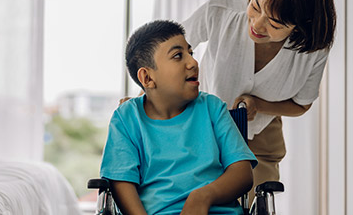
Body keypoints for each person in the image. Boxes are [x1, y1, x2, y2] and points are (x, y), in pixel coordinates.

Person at [181, 0, 337, 203]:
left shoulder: (312, 50)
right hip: (202, 131)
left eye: (274, 23)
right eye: (256, 5)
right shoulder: (218, 13)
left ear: (300, 27)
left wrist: (260, 105)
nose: (257, 24)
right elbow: (167, 53)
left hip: (261, 141)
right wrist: (145, 100)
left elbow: (302, 104)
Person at [100, 20, 258, 215]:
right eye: (178, 56)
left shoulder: (212, 108)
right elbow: (121, 182)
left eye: (190, 53)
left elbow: (242, 173)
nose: (192, 62)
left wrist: (203, 196)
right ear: (147, 78)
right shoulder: (126, 119)